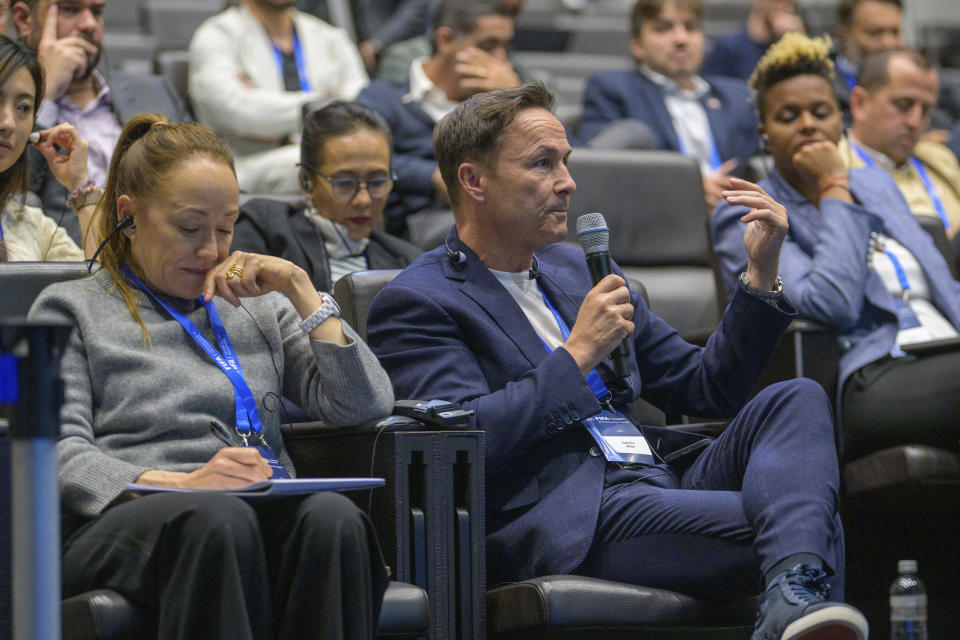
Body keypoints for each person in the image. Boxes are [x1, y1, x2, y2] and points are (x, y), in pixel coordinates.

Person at [367, 82, 868, 640]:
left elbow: (707, 388)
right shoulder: (420, 300)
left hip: (657, 479)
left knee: (795, 397)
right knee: (807, 525)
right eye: (542, 163)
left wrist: (758, 274)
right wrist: (577, 354)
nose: (568, 182)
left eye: (566, 161)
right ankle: (794, 600)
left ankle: (789, 607)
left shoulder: (576, 269)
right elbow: (463, 447)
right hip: (573, 515)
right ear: (473, 180)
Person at [28, 114, 393, 638]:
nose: (212, 251)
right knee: (217, 519)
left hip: (253, 506)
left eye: (226, 229)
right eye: (189, 228)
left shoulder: (259, 306)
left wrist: (300, 289)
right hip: (124, 523)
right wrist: (181, 484)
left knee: (335, 522)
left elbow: (365, 404)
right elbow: (55, 452)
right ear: (129, 217)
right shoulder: (66, 309)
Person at [711, 33, 960, 466]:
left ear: (839, 123)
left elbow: (944, 284)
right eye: (789, 115)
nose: (808, 124)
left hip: (945, 352)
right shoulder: (750, 209)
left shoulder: (876, 185)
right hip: (869, 375)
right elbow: (833, 302)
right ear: (765, 133)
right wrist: (834, 188)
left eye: (820, 112)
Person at [11, 0, 190, 245]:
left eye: (96, 12)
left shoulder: (154, 91)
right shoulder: (8, 106)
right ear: (23, 19)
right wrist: (45, 93)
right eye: (70, 10)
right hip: (73, 260)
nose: (89, 24)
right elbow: (9, 193)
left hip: (172, 250)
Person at [357, 0, 522, 247]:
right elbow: (360, 160)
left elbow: (553, 156)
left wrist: (513, 99)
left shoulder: (497, 106)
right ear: (445, 40)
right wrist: (433, 177)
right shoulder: (382, 99)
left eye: (505, 47)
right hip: (414, 225)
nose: (502, 61)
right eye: (488, 46)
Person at [579, 0, 759, 210]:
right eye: (664, 29)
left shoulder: (737, 96)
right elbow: (595, 171)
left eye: (690, 27)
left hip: (739, 214)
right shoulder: (612, 90)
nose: (681, 39)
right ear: (637, 45)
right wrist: (689, 187)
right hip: (659, 219)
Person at [232, 101, 422, 291]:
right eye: (345, 184)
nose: (363, 200)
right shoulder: (264, 231)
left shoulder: (408, 262)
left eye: (378, 182)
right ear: (306, 183)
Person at [189, 0, 368, 195]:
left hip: (329, 150)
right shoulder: (217, 34)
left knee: (367, 155)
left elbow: (361, 102)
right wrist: (320, 106)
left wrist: (265, 104)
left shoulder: (330, 36)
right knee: (317, 160)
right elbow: (234, 109)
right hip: (244, 163)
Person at [0, 35, 96, 261]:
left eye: (23, 107)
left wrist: (80, 185)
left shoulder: (28, 223)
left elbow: (103, 284)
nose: (8, 123)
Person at [844, 49, 960, 236]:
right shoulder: (835, 164)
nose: (915, 122)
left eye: (926, 110)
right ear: (860, 103)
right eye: (903, 105)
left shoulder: (939, 158)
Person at [702, 0, 804, 80]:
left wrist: (799, 44)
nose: (784, 8)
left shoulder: (790, 46)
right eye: (777, 1)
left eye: (790, 4)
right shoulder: (727, 48)